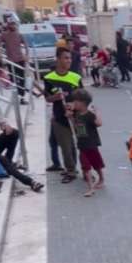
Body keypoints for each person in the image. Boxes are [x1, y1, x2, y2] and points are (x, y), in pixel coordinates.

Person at [43, 48, 82, 182]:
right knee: (66, 145)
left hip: (77, 118)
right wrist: (57, 97)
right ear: (58, 59)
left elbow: (84, 97)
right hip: (59, 117)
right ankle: (71, 171)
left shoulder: (76, 77)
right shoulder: (49, 78)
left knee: (82, 143)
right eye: (66, 58)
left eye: (70, 58)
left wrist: (73, 107)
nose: (69, 61)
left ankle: (83, 168)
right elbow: (47, 98)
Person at [69, 88, 104, 197]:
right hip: (82, 145)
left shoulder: (89, 115)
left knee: (97, 165)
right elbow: (76, 127)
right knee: (86, 167)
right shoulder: (77, 114)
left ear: (83, 103)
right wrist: (70, 118)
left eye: (76, 101)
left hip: (91, 145)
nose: (73, 103)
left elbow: (99, 123)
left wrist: (97, 112)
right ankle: (90, 188)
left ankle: (101, 179)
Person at [0, 18, 28, 104]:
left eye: (14, 24)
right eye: (11, 24)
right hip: (11, 61)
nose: (13, 26)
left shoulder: (19, 35)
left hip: (20, 60)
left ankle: (22, 97)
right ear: (8, 25)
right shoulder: (4, 35)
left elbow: (26, 45)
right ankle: (18, 95)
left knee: (22, 79)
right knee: (13, 79)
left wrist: (27, 55)